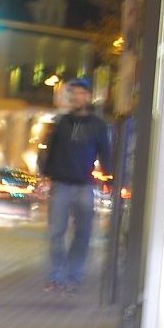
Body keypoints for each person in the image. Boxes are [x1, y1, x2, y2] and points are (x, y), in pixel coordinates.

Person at [37, 77, 111, 291]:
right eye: (73, 94)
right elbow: (47, 150)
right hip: (60, 185)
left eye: (80, 93)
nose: (76, 97)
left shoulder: (98, 125)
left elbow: (105, 152)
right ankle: (55, 276)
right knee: (56, 232)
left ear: (88, 97)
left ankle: (74, 276)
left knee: (83, 233)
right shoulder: (60, 122)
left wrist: (111, 178)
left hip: (84, 186)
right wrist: (44, 174)